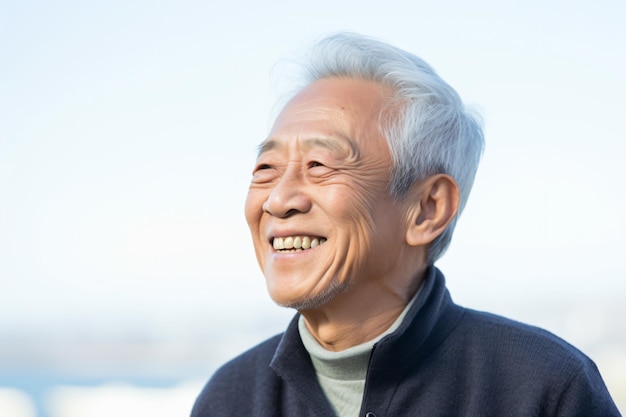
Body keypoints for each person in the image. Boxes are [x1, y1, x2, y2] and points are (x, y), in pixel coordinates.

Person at [191, 33, 620, 417]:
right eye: (266, 167)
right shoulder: (230, 398)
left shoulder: (544, 388)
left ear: (427, 209)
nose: (279, 199)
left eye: (320, 165)